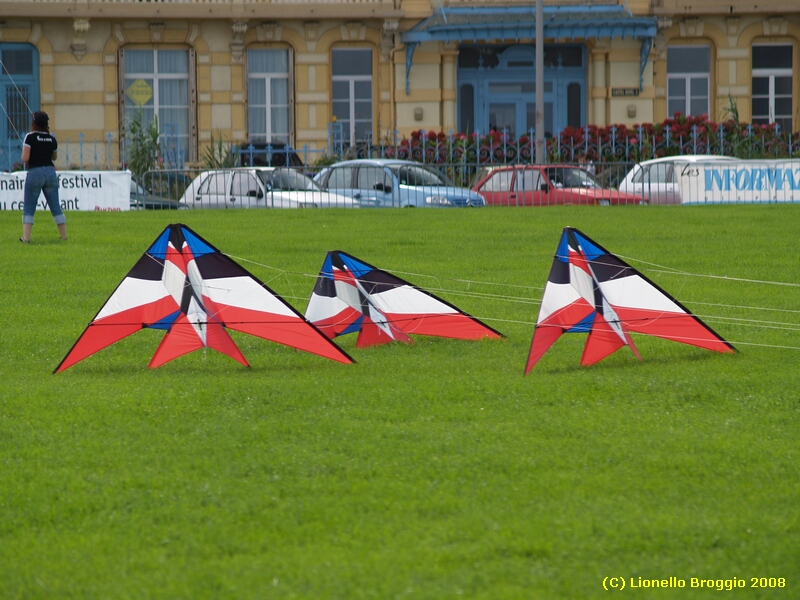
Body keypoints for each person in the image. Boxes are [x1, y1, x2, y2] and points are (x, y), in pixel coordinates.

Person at [20, 111, 66, 243]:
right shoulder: (52, 139)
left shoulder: (30, 137)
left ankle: (26, 239)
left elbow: (25, 158)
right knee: (55, 206)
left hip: (35, 172)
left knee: (29, 206)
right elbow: (54, 157)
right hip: (50, 172)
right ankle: (63, 237)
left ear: (33, 122)